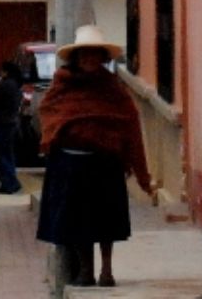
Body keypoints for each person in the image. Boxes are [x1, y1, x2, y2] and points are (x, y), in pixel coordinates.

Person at [35, 25, 153, 288]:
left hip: (104, 163)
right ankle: (86, 271)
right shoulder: (62, 84)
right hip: (69, 162)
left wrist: (140, 171)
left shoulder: (113, 87)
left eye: (94, 54)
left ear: (103, 58)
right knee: (76, 221)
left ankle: (107, 271)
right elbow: (49, 113)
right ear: (76, 58)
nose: (89, 59)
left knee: (106, 219)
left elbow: (129, 123)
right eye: (84, 55)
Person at [0, 60, 25, 194]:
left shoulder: (5, 85)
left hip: (3, 123)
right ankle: (8, 183)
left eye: (2, 71)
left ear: (6, 72)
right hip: (11, 123)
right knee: (7, 154)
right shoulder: (16, 85)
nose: (0, 73)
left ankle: (10, 183)